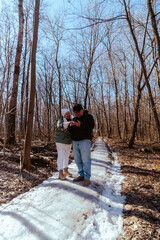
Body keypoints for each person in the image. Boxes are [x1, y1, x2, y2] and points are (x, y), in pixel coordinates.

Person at [69, 104, 94, 187]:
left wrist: (81, 125)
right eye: (75, 112)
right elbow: (71, 131)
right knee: (77, 159)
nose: (77, 114)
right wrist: (71, 126)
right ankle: (81, 175)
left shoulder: (89, 117)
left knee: (86, 160)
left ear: (82, 110)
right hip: (75, 142)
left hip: (85, 141)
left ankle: (87, 178)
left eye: (78, 112)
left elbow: (91, 126)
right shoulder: (75, 119)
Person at [55, 109, 72, 180]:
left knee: (66, 156)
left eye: (69, 113)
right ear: (63, 115)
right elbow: (60, 126)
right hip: (60, 142)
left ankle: (66, 170)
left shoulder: (72, 119)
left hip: (68, 142)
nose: (68, 115)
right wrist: (68, 123)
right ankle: (60, 173)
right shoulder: (61, 121)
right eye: (66, 114)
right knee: (61, 157)